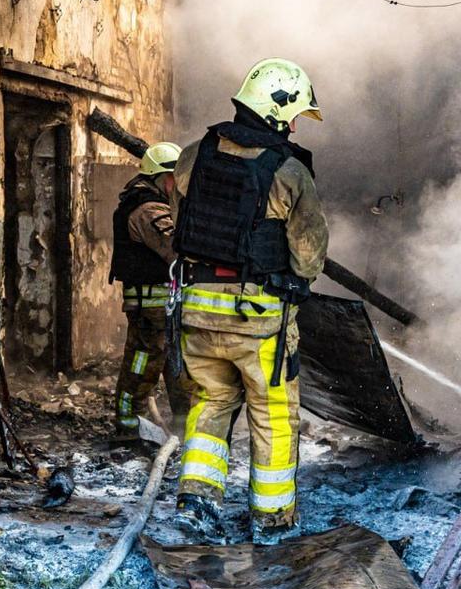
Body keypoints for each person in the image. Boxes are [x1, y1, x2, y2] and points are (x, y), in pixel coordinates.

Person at [169, 58, 329, 544]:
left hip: (196, 311)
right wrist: (296, 282)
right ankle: (272, 518)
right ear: (279, 113)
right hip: (258, 321)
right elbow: (308, 252)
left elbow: (181, 224)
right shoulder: (289, 171)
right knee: (273, 414)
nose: (296, 125)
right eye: (295, 115)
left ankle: (196, 502)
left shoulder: (193, 155)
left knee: (209, 403)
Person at [108, 142, 184, 444]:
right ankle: (128, 428)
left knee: (178, 368)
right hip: (151, 308)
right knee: (141, 367)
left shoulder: (159, 204)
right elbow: (175, 249)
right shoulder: (148, 210)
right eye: (173, 179)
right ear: (158, 177)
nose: (177, 186)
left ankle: (184, 429)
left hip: (165, 307)